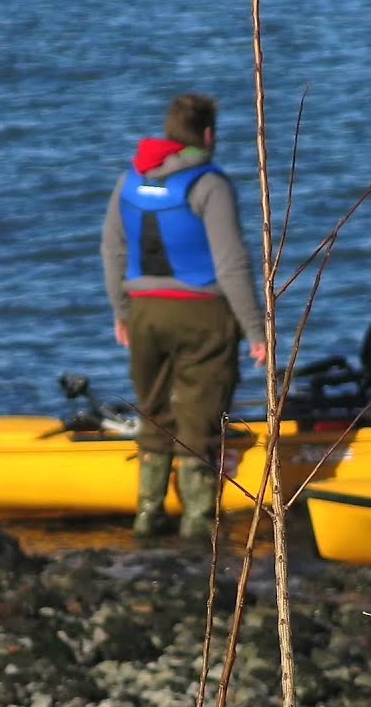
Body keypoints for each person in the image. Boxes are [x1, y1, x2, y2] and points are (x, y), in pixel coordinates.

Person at [100, 93, 268, 539]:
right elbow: (231, 264)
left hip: (144, 312)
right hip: (202, 314)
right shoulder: (210, 184)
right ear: (209, 134)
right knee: (201, 415)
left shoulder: (129, 180)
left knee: (153, 412)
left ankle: (147, 514)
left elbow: (112, 250)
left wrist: (121, 310)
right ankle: (197, 526)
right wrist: (256, 329)